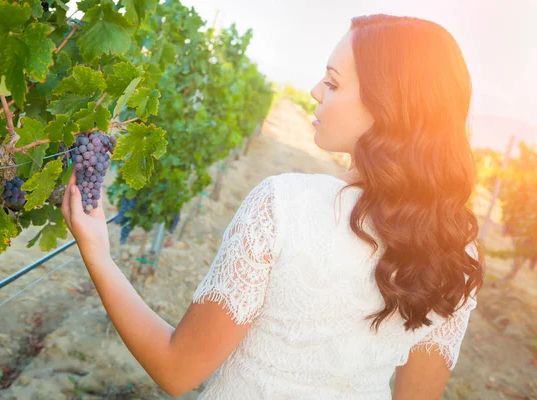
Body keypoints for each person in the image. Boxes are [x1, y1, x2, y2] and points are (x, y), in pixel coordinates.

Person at [61, 13, 485, 400]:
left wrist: (98, 254)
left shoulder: (282, 206)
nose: (315, 91)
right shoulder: (456, 248)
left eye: (333, 83)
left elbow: (177, 370)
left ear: (386, 106)